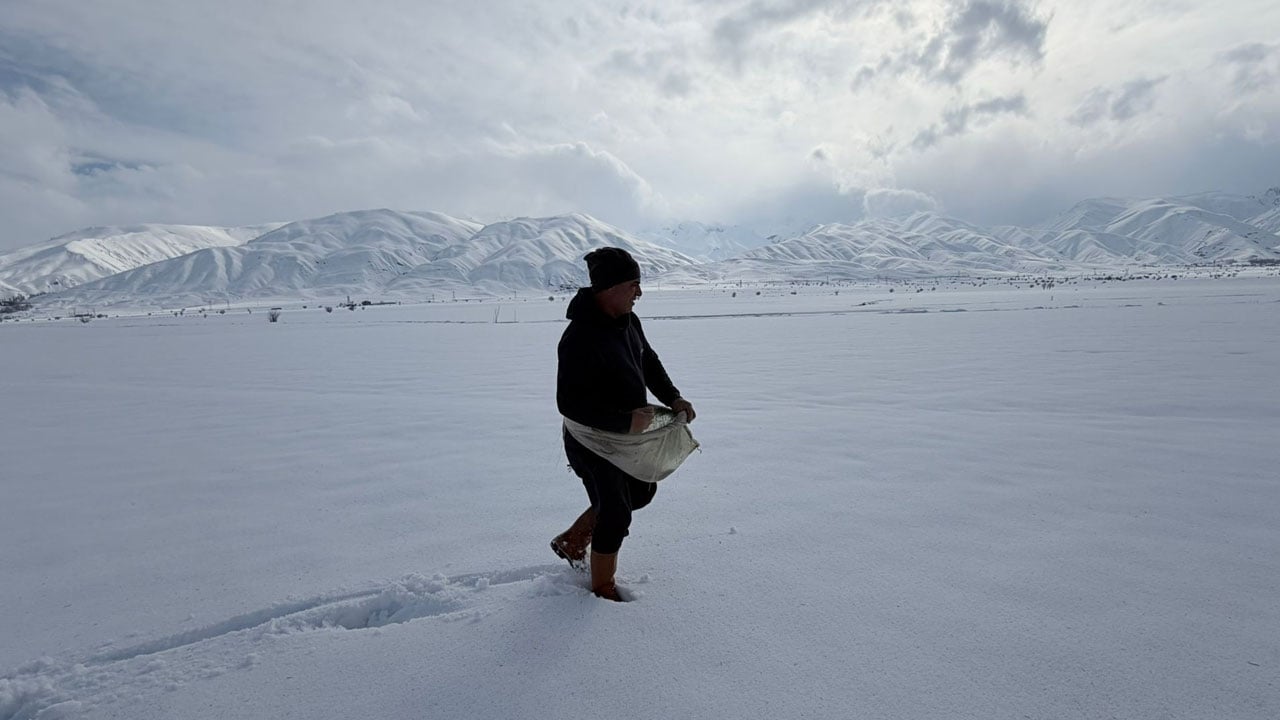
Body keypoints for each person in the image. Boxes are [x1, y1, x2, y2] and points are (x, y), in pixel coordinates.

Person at [552, 247, 696, 601]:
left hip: (628, 438)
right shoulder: (579, 338)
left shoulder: (629, 322)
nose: (639, 293)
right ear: (610, 287)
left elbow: (648, 362)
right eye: (634, 284)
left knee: (641, 491)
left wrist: (673, 397)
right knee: (615, 510)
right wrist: (622, 421)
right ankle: (602, 588)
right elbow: (568, 404)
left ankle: (573, 539)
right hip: (592, 440)